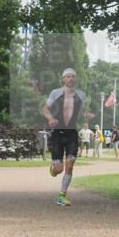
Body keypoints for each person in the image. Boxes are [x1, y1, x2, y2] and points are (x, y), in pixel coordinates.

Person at [41, 68, 88, 206]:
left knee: (70, 164)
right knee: (59, 169)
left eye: (73, 76)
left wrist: (86, 116)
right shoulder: (55, 93)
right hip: (57, 133)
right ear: (63, 78)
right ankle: (53, 168)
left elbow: (83, 111)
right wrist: (50, 118)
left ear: (76, 79)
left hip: (72, 133)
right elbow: (45, 108)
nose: (70, 79)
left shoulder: (81, 95)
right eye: (68, 76)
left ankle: (62, 196)